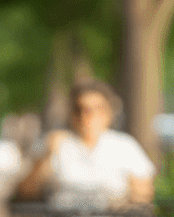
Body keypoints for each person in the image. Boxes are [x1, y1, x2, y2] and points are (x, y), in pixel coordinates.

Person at [13, 79, 156, 209]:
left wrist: (126, 199)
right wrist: (46, 156)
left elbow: (144, 193)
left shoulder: (124, 146)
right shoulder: (57, 142)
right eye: (80, 109)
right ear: (72, 113)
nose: (87, 116)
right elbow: (25, 192)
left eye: (96, 109)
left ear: (108, 112)